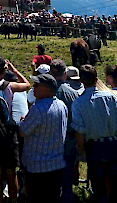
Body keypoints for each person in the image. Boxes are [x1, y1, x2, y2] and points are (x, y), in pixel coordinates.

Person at [72, 65, 117, 203]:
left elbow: (79, 131)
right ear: (97, 79)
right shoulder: (111, 97)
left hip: (95, 148)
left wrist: (81, 149)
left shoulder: (78, 103)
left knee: (99, 191)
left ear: (81, 81)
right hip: (114, 145)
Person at [0, 55, 29, 203]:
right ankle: (13, 200)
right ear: (5, 69)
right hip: (8, 132)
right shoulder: (9, 86)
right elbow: (27, 84)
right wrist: (14, 70)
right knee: (10, 171)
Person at [19, 73, 67, 201]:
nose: (33, 87)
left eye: (36, 85)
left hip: (37, 167)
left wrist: (23, 121)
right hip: (56, 165)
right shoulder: (62, 105)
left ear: (46, 88)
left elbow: (23, 131)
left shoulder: (38, 108)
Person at [49, 60, 82, 203]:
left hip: (50, 140)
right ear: (65, 74)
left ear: (51, 73)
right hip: (70, 139)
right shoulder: (73, 93)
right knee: (67, 179)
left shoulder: (47, 91)